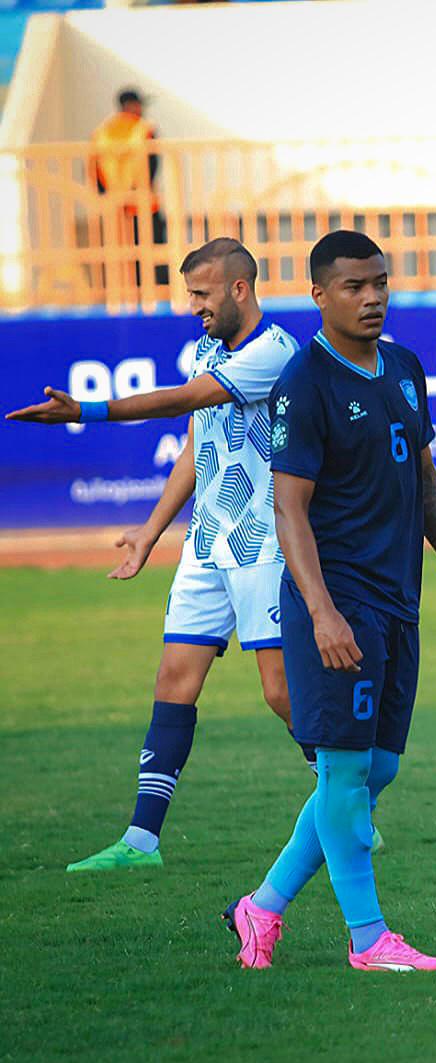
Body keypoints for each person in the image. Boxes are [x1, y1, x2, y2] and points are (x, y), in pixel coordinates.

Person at [222, 230, 436, 973]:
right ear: (318, 295)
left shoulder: (403, 366)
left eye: (380, 283)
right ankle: (369, 939)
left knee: (378, 772)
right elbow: (289, 511)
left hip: (398, 599)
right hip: (338, 604)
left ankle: (262, 906)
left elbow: (424, 477)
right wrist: (321, 611)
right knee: (343, 773)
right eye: (353, 287)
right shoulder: (304, 385)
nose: (372, 297)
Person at [6, 238, 304, 871]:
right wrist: (150, 531)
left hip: (266, 547)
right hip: (207, 546)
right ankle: (142, 841)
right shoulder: (207, 349)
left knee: (280, 693)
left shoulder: (276, 351)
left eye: (201, 294)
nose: (192, 306)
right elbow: (197, 447)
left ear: (239, 290)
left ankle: (345, 799)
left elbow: (185, 400)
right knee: (173, 681)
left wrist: (88, 411)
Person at [91, 88, 168, 287]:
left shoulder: (101, 132)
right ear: (132, 105)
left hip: (114, 208)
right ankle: (156, 297)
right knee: (154, 258)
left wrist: (107, 195)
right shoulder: (144, 129)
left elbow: (94, 168)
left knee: (121, 261)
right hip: (144, 205)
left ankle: (125, 298)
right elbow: (153, 165)